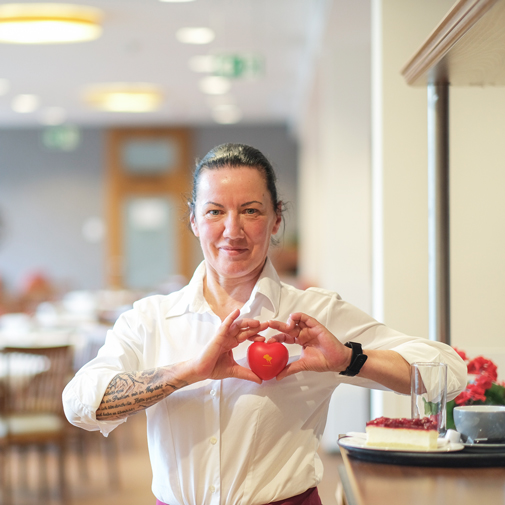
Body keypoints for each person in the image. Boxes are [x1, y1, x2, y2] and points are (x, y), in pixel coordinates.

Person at [63, 143, 466, 505]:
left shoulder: (314, 314)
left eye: (251, 211)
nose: (232, 230)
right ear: (193, 221)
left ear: (275, 221)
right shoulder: (152, 318)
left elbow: (448, 372)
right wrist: (190, 371)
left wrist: (347, 359)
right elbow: (80, 403)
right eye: (215, 211)